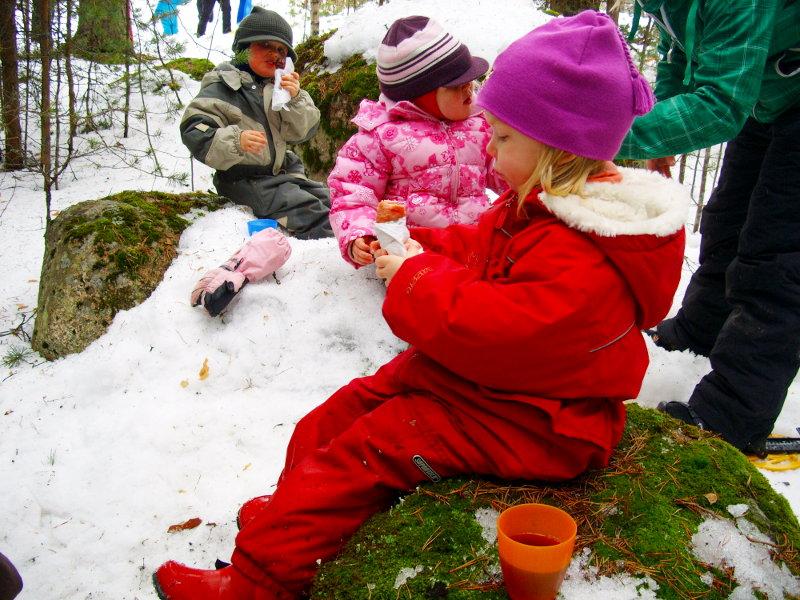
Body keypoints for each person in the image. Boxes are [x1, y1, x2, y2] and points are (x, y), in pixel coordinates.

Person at [153, 12, 688, 599]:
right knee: (334, 417)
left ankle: (261, 581)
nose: (490, 145)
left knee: (365, 448)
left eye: (504, 138)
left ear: (557, 148)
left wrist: (413, 276)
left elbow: (495, 328)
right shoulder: (544, 202)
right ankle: (292, 515)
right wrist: (415, 241)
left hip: (539, 420)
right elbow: (478, 245)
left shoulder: (584, 249)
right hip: (497, 389)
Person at [617, 0, 800, 455]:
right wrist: (665, 119)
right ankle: (698, 333)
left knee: (776, 255)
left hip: (761, 96)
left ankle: (731, 417)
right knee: (726, 224)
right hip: (766, 97)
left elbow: (720, 104)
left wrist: (600, 134)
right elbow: (680, 53)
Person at [327, 15, 505, 268]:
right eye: (459, 85)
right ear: (422, 94)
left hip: (474, 243)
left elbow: (506, 171)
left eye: (471, 82)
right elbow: (352, 194)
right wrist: (360, 234)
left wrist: (541, 178)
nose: (471, 90)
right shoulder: (381, 135)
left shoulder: (480, 125)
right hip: (412, 251)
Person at [181, 7, 333, 240]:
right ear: (243, 48)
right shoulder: (224, 87)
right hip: (243, 181)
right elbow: (194, 129)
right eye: (265, 45)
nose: (275, 55)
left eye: (281, 50)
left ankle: (358, 230)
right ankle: (340, 248)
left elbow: (303, 132)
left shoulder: (279, 88)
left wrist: (295, 100)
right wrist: (236, 140)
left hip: (283, 174)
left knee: (331, 199)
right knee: (310, 211)